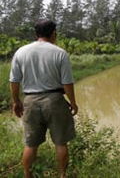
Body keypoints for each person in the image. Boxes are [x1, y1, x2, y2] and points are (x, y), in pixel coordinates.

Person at [9, 20, 78, 178]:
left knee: (30, 144)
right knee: (61, 143)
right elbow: (67, 83)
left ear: (36, 34)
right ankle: (62, 175)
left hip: (30, 101)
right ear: (54, 33)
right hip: (55, 100)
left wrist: (16, 101)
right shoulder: (60, 53)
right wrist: (73, 102)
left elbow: (14, 81)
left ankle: (28, 175)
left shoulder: (21, 52)